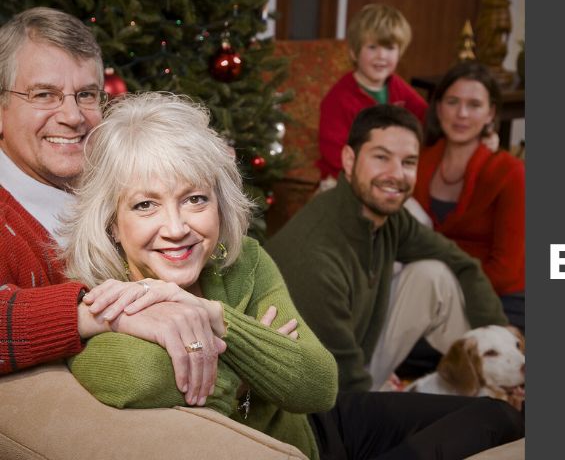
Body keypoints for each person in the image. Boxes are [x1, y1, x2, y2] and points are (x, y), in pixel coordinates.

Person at [63, 92, 522, 460]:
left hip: (319, 427)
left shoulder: (241, 259)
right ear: (111, 224)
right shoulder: (107, 299)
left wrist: (215, 318)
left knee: (498, 416)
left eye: (195, 199)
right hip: (289, 446)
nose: (177, 226)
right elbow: (135, 378)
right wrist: (256, 366)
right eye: (145, 205)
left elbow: (319, 384)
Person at [0, 7, 222, 407]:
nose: (71, 116)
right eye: (44, 94)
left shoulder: (122, 183)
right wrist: (103, 313)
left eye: (86, 95)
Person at [267, 104, 508, 392]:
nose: (397, 174)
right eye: (382, 158)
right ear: (349, 159)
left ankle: (496, 382)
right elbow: (338, 388)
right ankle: (486, 396)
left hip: (359, 361)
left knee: (434, 275)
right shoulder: (316, 257)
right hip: (317, 401)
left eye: (408, 162)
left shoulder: (387, 217)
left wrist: (503, 340)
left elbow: (463, 264)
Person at [413, 62, 526, 332]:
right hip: (430, 293)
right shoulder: (417, 162)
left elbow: (505, 270)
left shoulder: (511, 173)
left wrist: (443, 290)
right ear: (439, 107)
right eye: (452, 102)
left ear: (491, 113)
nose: (461, 114)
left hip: (499, 299)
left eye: (474, 105)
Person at [317, 4, 427, 186]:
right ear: (354, 52)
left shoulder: (398, 87)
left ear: (400, 52)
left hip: (389, 175)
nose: (381, 56)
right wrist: (366, 174)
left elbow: (427, 118)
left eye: (390, 48)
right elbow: (332, 151)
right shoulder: (339, 98)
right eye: (372, 47)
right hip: (343, 178)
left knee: (417, 214)